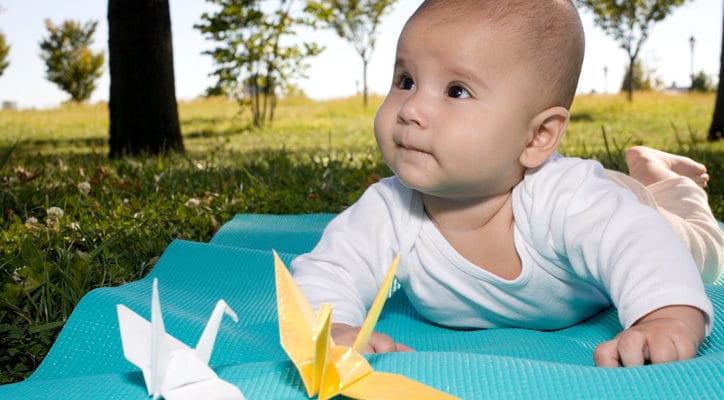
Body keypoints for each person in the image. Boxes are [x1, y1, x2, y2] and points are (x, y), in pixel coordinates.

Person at [291, 0, 723, 367]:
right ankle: (648, 169)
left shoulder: (569, 200)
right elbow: (330, 269)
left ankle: (663, 177)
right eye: (406, 81)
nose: (411, 109)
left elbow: (642, 244)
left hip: (626, 203)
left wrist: (664, 317)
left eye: (456, 90)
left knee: (701, 248)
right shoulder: (389, 207)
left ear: (538, 136)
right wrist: (333, 330)